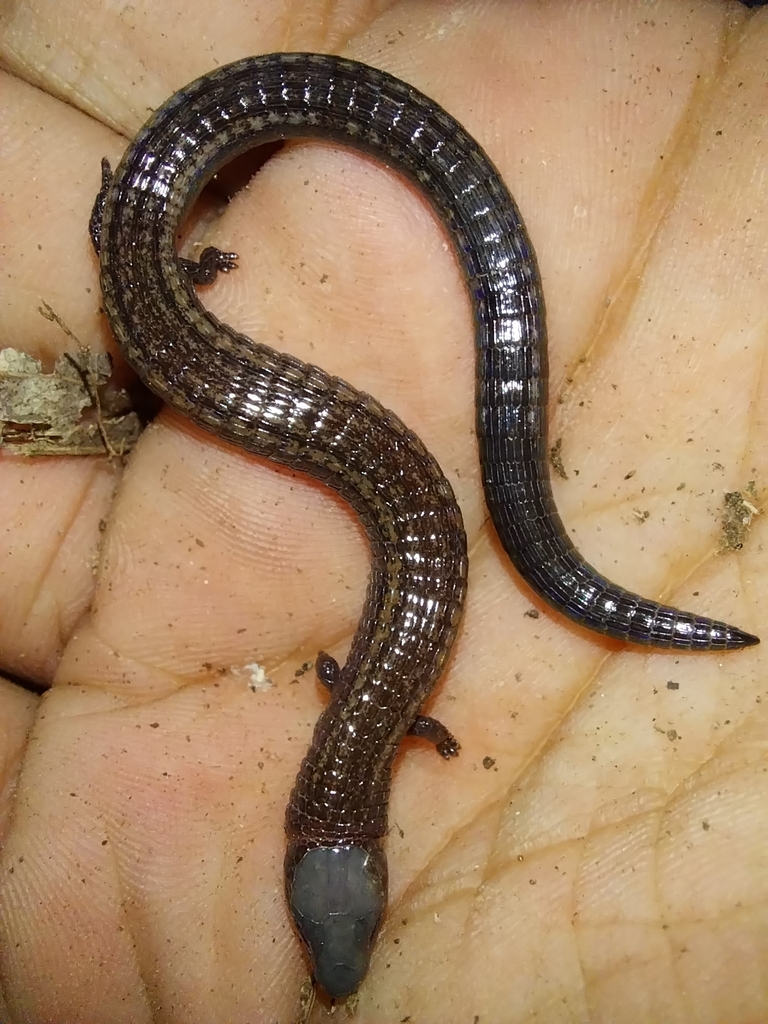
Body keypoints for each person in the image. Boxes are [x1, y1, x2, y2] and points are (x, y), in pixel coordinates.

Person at [0, 2, 765, 1020]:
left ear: (343, 836)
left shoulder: (391, 714)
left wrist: (427, 733)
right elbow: (337, 679)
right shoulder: (345, 697)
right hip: (166, 266)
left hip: (165, 260)